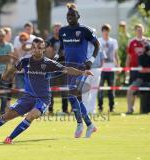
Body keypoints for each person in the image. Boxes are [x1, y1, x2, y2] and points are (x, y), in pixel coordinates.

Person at [0, 37, 94, 144]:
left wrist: (83, 72)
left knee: (31, 115)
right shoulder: (25, 61)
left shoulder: (48, 63)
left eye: (39, 48)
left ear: (43, 49)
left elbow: (67, 69)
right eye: (34, 47)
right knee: (7, 115)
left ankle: (9, 139)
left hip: (43, 99)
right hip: (28, 97)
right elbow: (13, 70)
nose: (36, 49)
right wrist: (6, 75)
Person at [58, 3, 100, 138]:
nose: (70, 17)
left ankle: (81, 124)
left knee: (72, 94)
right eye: (68, 15)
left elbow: (97, 45)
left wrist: (91, 60)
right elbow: (61, 49)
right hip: (69, 69)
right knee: (75, 98)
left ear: (78, 16)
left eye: (72, 15)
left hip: (82, 68)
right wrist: (57, 59)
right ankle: (88, 125)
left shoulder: (84, 30)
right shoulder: (62, 31)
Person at [46, 23, 68, 114]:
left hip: (64, 65)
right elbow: (49, 55)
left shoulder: (66, 40)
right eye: (55, 28)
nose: (57, 30)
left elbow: (66, 52)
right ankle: (50, 109)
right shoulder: (50, 41)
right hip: (53, 66)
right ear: (53, 30)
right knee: (51, 88)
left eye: (59, 29)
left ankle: (65, 109)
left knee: (65, 88)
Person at [126, 24, 148, 114]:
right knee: (132, 89)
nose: (139, 31)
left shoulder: (147, 41)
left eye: (141, 30)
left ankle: (130, 109)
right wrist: (127, 69)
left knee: (132, 89)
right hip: (133, 69)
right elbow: (129, 57)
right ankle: (131, 108)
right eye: (137, 30)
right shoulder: (131, 42)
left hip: (143, 71)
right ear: (135, 31)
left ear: (143, 30)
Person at [98, 24, 119, 112]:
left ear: (109, 31)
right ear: (102, 31)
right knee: (100, 89)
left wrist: (118, 66)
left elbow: (115, 55)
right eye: (104, 30)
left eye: (107, 30)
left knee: (111, 88)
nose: (106, 32)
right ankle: (100, 107)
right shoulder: (98, 41)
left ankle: (111, 107)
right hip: (101, 68)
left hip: (111, 67)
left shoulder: (113, 41)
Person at [83, 33, 106, 114]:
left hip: (96, 69)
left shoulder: (99, 44)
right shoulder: (84, 43)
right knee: (85, 90)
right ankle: (85, 109)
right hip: (86, 70)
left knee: (94, 91)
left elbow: (103, 57)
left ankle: (92, 110)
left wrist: (100, 68)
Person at [13, 22, 36, 89]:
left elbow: (35, 52)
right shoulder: (17, 38)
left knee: (31, 87)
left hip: (31, 66)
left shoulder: (34, 38)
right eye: (26, 29)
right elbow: (16, 53)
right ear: (24, 29)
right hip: (21, 66)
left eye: (29, 29)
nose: (28, 31)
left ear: (32, 30)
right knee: (21, 88)